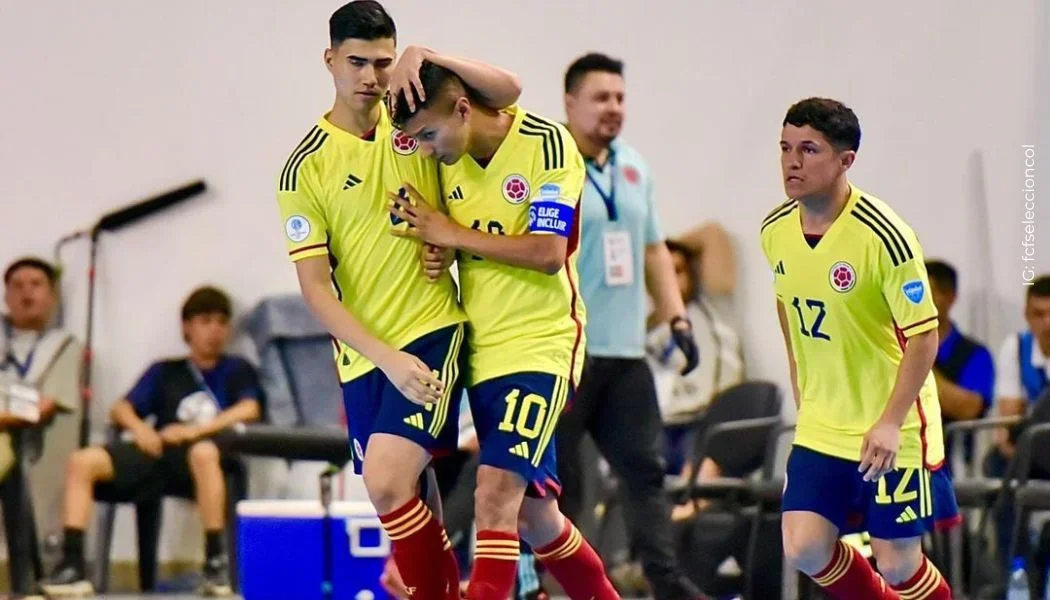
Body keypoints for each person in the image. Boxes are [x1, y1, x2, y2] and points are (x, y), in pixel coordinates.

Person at [273, 3, 523, 600]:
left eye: (384, 62)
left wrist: (429, 56)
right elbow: (316, 290)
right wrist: (384, 357)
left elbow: (508, 92)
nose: (371, 76)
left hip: (433, 331)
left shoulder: (415, 120)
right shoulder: (303, 168)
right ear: (330, 61)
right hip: (366, 357)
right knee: (412, 502)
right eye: (357, 62)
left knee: (386, 483)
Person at [389, 59, 620, 600]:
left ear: (465, 108)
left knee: (494, 495)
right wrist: (436, 249)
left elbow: (545, 253)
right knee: (539, 517)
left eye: (429, 133)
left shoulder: (546, 144)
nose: (426, 148)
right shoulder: (447, 156)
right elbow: (451, 243)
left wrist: (451, 231)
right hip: (480, 350)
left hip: (540, 344)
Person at [762, 97, 957, 599]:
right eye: (785, 147)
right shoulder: (775, 231)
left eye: (809, 149)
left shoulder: (885, 237)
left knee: (897, 565)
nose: (792, 161)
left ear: (845, 161)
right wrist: (800, 381)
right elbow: (787, 304)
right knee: (804, 547)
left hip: (890, 422)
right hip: (824, 421)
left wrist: (890, 422)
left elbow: (923, 334)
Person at [552, 52, 707, 600]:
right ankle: (556, 584)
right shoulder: (550, 165)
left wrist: (678, 319)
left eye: (619, 97)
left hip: (622, 351)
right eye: (600, 97)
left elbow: (653, 250)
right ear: (570, 102)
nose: (613, 108)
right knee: (560, 482)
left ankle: (666, 580)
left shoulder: (633, 166)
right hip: (565, 352)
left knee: (644, 470)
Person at [40, 286, 263, 597]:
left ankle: (215, 563)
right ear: (187, 327)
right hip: (161, 454)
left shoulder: (236, 370)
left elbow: (250, 408)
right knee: (83, 461)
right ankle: (73, 564)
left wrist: (196, 431)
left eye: (221, 322)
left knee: (202, 452)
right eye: (206, 321)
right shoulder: (166, 371)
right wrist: (139, 429)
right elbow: (121, 407)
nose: (215, 329)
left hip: (210, 458)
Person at [0, 257, 81, 585]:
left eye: (35, 285)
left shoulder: (63, 345)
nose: (26, 293)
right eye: (17, 286)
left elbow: (41, 408)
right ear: (6, 297)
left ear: (52, 296)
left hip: (33, 446)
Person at [985, 274, 1050, 565]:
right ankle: (1013, 568)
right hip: (1031, 455)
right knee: (998, 464)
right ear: (1026, 316)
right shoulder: (1016, 348)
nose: (1047, 323)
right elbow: (1007, 431)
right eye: (1039, 314)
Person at [924, 259, 995, 469]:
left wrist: (915, 363)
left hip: (953, 470)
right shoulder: (891, 347)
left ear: (950, 297)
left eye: (927, 292)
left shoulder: (975, 354)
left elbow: (969, 409)